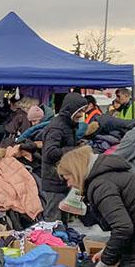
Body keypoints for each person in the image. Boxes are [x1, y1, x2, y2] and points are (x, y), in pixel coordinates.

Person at [38, 92, 89, 221]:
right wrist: (76, 150)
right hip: (54, 181)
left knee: (62, 219)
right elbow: (50, 153)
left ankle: (62, 240)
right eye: (80, 111)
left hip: (61, 180)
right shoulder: (57, 127)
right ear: (71, 109)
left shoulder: (67, 125)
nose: (81, 115)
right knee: (53, 219)